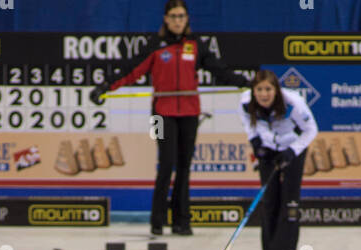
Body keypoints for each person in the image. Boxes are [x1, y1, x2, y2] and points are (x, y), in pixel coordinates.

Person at [90, 4, 250, 237]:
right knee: (165, 164)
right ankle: (157, 221)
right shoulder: (155, 45)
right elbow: (130, 71)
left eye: (181, 16)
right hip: (160, 115)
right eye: (173, 16)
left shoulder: (195, 45)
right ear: (165, 19)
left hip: (189, 113)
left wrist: (244, 82)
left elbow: (219, 71)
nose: (177, 21)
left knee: (184, 168)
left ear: (187, 19)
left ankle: (182, 221)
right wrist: (105, 87)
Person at [239, 68, 317, 250]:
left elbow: (311, 130)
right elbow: (248, 122)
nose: (264, 94)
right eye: (259, 89)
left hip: (293, 149)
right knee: (269, 203)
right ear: (253, 90)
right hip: (268, 151)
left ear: (276, 90)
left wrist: (292, 152)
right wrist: (256, 142)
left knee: (290, 204)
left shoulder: (293, 103)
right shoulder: (246, 102)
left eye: (268, 89)